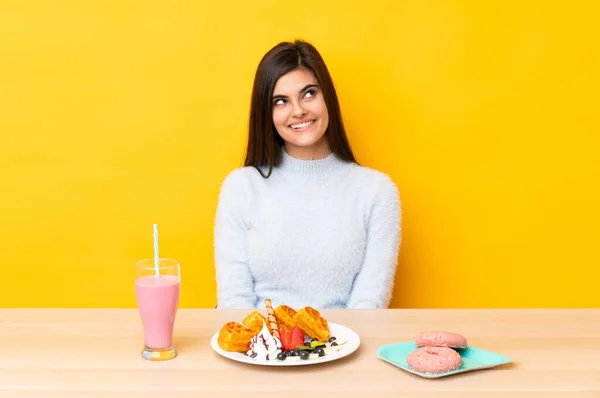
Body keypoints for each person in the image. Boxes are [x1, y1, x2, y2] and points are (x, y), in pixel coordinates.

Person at [214, 39, 401, 309]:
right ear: (266, 113)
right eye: (280, 101)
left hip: (347, 346)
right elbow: (234, 302)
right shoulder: (241, 187)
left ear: (328, 98)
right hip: (259, 347)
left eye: (309, 94)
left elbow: (368, 306)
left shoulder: (376, 191)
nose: (298, 110)